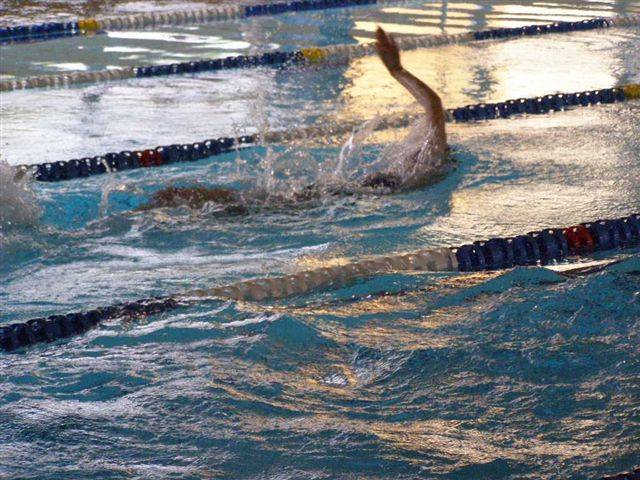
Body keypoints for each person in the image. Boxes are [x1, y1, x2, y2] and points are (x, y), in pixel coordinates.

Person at [140, 27, 449, 212]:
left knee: (239, 204)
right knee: (240, 203)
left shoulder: (428, 166)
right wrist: (396, 71)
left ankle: (152, 211)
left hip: (328, 200)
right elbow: (433, 109)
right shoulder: (423, 170)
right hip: (331, 196)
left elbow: (434, 106)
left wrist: (397, 70)